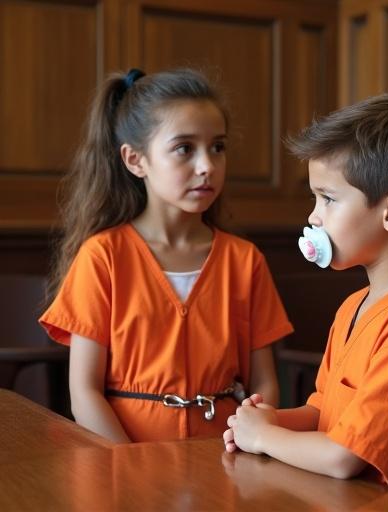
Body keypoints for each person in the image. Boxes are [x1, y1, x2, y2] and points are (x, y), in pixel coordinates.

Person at [223, 89, 388, 511]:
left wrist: (265, 437)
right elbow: (324, 411)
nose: (313, 217)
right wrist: (267, 420)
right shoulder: (354, 306)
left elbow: (345, 457)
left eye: (328, 198)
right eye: (314, 198)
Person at [39, 68, 293, 443]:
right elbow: (84, 394)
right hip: (124, 471)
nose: (207, 165)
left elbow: (265, 384)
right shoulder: (103, 256)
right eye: (184, 148)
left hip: (225, 465)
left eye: (218, 147)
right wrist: (131, 469)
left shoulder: (245, 259)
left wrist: (245, 445)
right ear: (135, 160)